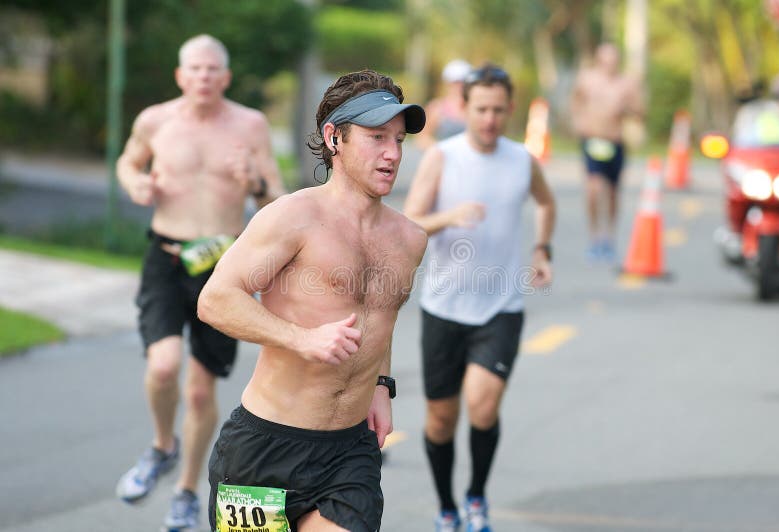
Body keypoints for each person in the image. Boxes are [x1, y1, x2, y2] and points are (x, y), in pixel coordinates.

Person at [198, 69, 427, 531]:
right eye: (376, 137)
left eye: (399, 140)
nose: (392, 153)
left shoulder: (408, 238)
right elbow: (216, 299)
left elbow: (380, 315)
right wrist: (301, 339)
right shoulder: (292, 217)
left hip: (349, 454)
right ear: (334, 138)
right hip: (264, 448)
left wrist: (381, 385)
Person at [114, 34, 285, 531]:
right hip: (167, 256)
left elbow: (275, 200)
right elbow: (129, 160)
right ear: (180, 75)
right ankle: (163, 447)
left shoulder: (250, 125)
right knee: (163, 366)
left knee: (199, 390)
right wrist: (136, 182)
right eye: (195, 69)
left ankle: (186, 491)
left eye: (213, 69)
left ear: (225, 77)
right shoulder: (155, 120)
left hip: (223, 266)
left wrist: (253, 181)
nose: (204, 77)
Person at [404, 64, 556, 532]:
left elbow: (547, 203)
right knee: (439, 421)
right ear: (464, 108)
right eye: (481, 109)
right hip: (444, 308)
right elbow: (410, 221)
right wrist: (449, 216)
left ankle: (476, 499)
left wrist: (541, 249)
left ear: (510, 110)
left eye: (497, 109)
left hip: (501, 307)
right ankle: (447, 506)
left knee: (484, 406)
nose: (489, 118)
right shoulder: (443, 158)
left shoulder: (522, 160)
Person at [570, 42, 644, 261]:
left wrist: (626, 108)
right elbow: (575, 100)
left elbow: (640, 112)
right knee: (592, 189)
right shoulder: (587, 79)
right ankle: (594, 237)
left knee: (612, 193)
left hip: (615, 142)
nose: (609, 65)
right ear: (598, 60)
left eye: (613, 60)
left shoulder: (627, 84)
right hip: (592, 141)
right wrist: (578, 121)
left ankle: (608, 238)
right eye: (605, 60)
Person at [416, 59, 472, 149]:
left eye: (463, 82)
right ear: (448, 83)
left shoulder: (475, 108)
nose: (460, 86)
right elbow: (422, 138)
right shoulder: (436, 108)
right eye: (456, 82)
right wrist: (442, 151)